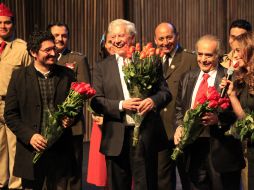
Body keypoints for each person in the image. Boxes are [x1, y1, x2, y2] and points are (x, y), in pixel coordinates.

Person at [91, 19, 171, 190]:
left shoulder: (149, 61)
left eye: (121, 35)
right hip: (115, 137)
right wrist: (121, 105)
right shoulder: (101, 67)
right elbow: (96, 101)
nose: (117, 40)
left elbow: (166, 93)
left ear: (132, 38)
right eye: (113, 36)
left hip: (145, 135)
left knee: (146, 184)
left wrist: (152, 100)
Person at [4, 31, 77, 189]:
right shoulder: (19, 77)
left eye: (54, 49)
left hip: (60, 151)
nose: (53, 53)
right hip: (30, 151)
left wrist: (71, 119)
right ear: (33, 52)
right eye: (47, 50)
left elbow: (76, 108)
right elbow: (10, 115)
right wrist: (30, 136)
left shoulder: (67, 75)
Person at [174, 34, 245, 190]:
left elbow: (241, 115)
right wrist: (179, 126)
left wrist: (218, 119)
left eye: (209, 55)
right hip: (193, 150)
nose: (203, 59)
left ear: (218, 55)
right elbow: (179, 109)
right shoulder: (187, 77)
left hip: (221, 150)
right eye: (200, 54)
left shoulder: (230, 78)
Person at [47, 22, 91, 190]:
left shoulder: (77, 59)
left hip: (72, 125)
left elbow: (85, 91)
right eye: (56, 35)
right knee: (54, 172)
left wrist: (70, 116)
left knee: (73, 173)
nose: (60, 39)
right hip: (49, 125)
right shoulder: (44, 58)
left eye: (64, 35)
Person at [154, 22, 197, 190]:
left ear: (177, 36)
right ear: (155, 40)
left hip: (182, 128)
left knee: (188, 177)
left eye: (169, 37)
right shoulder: (151, 59)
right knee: (162, 179)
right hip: (160, 130)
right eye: (161, 38)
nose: (165, 42)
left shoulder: (190, 58)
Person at [0, 3, 32, 189]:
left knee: (15, 149)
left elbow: (30, 78)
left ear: (13, 24)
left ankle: (15, 186)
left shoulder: (23, 48)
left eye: (7, 23)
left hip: (13, 106)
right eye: (0, 23)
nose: (3, 26)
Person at [220, 32, 254, 190]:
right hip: (249, 147)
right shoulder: (242, 80)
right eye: (233, 50)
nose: (234, 55)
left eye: (237, 50)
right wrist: (232, 96)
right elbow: (244, 118)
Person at [87, 32, 115, 188]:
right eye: (110, 41)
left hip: (119, 121)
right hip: (101, 123)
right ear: (104, 44)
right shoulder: (100, 66)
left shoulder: (132, 63)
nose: (113, 44)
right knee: (104, 173)